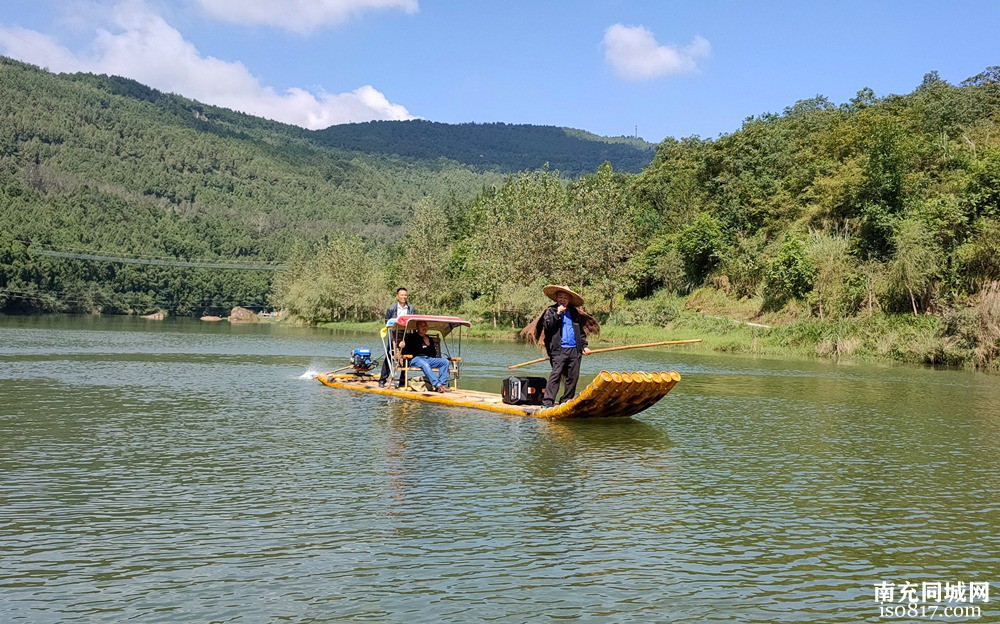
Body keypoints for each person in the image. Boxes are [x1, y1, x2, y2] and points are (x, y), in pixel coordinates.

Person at [521, 285, 600, 407]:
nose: (563, 300)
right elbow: (548, 326)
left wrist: (584, 346)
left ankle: (566, 400)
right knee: (555, 376)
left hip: (575, 350)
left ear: (569, 299)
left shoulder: (574, 312)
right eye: (560, 297)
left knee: (572, 377)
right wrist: (558, 313)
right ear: (556, 298)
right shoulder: (550, 311)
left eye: (565, 298)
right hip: (558, 350)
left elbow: (580, 332)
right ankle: (547, 402)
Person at [400, 320, 451, 393]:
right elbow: (405, 351)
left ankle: (441, 385)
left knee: (445, 362)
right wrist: (402, 346)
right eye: (422, 326)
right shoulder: (411, 337)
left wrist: (428, 345)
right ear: (418, 327)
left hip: (428, 358)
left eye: (425, 326)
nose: (424, 328)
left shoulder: (429, 338)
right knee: (425, 364)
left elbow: (433, 354)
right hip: (415, 358)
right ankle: (437, 385)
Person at [378, 287, 415, 388]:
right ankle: (382, 379)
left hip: (406, 335)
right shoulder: (392, 308)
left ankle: (403, 381)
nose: (404, 297)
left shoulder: (410, 308)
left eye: (405, 295)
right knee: (390, 355)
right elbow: (387, 322)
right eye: (402, 295)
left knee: (405, 356)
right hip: (394, 334)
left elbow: (413, 321)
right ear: (397, 296)